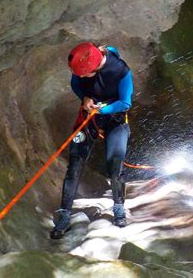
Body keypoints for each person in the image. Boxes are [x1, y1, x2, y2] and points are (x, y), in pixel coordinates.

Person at [51, 42, 133, 239]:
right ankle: (64, 213)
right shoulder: (81, 64)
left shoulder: (120, 71)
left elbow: (125, 102)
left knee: (115, 163)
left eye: (82, 74)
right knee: (75, 163)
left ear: (95, 68)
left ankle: (119, 206)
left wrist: (101, 109)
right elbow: (76, 85)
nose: (79, 76)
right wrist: (85, 97)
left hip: (115, 120)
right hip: (88, 119)